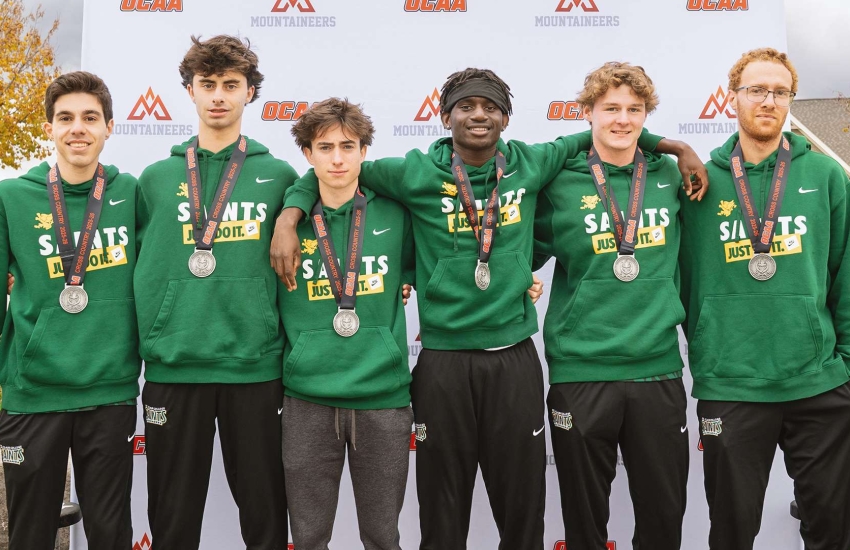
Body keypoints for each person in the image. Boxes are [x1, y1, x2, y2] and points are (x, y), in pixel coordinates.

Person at [271, 67, 706, 549]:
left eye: (491, 107)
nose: (479, 115)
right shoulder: (412, 171)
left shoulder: (533, 162)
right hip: (442, 361)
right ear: (445, 116)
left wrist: (676, 148)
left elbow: (603, 130)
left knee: (522, 511)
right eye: (466, 106)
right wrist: (290, 216)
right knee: (443, 510)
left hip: (514, 355)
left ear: (506, 117)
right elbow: (334, 171)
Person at [679, 47, 850, 550]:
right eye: (757, 89)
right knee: (731, 533)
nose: (768, 100)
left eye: (780, 91)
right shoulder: (697, 183)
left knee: (830, 528)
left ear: (790, 101)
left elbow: (844, 273)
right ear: (733, 98)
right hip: (732, 385)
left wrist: (845, 363)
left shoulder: (824, 176)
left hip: (817, 384)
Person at [134, 35, 298, 550]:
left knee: (265, 515)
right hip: (174, 366)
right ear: (190, 91)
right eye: (208, 85)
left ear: (250, 93)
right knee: (173, 518)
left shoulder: (280, 176)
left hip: (254, 367)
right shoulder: (155, 180)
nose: (219, 96)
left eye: (231, 85)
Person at [534, 62, 692, 550]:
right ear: (587, 113)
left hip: (657, 372)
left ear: (647, 115)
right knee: (584, 526)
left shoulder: (671, 174)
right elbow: (512, 247)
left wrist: (677, 147)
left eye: (635, 109)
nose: (622, 120)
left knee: (664, 521)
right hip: (581, 372)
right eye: (611, 109)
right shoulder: (560, 180)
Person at [0, 71, 139, 549]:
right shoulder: (11, 196)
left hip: (110, 390)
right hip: (31, 392)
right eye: (65, 118)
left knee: (109, 533)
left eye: (89, 117)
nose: (77, 128)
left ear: (109, 127)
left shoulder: (132, 194)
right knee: (29, 535)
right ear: (49, 129)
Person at [279, 97, 414, 550]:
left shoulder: (397, 214)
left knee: (382, 536)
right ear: (308, 154)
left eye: (348, 146)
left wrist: (522, 281)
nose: (337, 158)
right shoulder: (282, 223)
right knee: (309, 536)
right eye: (325, 147)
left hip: (383, 400)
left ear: (364, 151)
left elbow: (441, 266)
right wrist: (288, 214)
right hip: (307, 401)